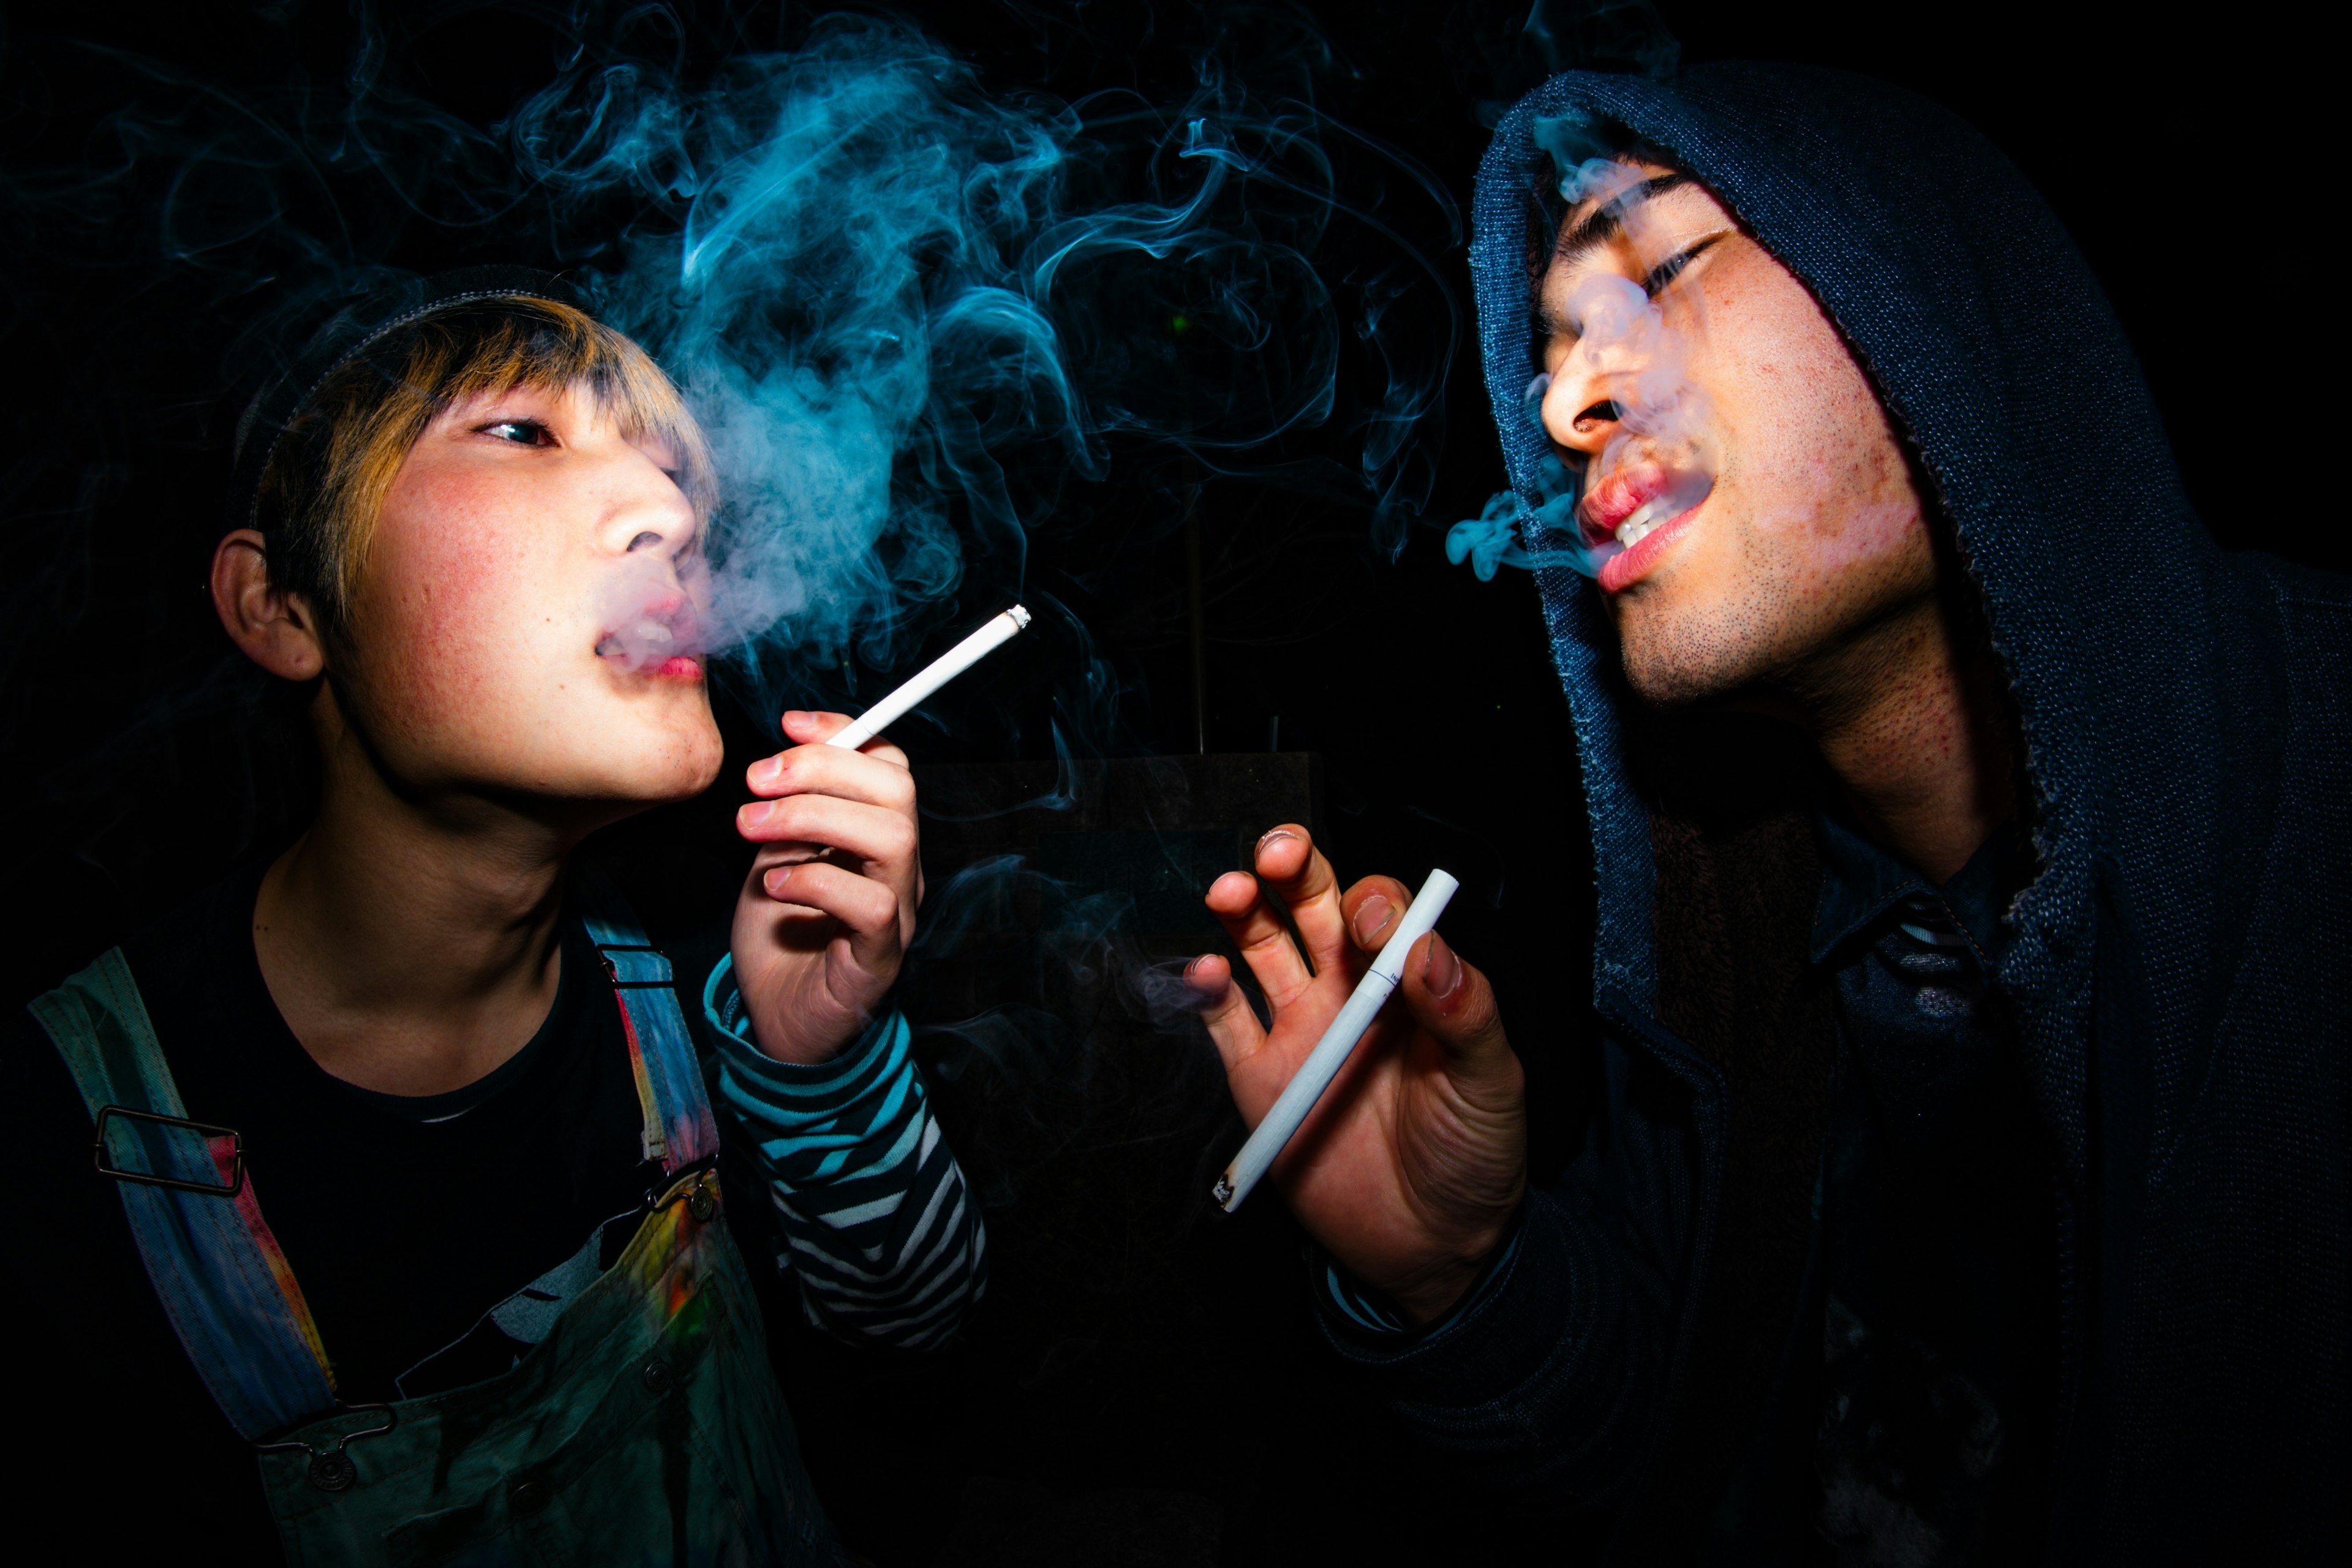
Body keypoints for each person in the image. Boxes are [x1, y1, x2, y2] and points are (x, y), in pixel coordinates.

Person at [1187, 65, 2347, 1564]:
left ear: (1926, 284)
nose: (1563, 401)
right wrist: (1462, 1277)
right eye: (1545, 354)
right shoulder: (1738, 978)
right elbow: (1688, 1453)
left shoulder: (2317, 824)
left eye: (1664, 266)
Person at [6, 271, 983, 1562]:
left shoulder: (714, 975)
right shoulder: (50, 1145)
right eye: (524, 432)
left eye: (676, 469)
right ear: (283, 605)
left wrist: (822, 1063)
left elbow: (915, 1338)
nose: (674, 513)